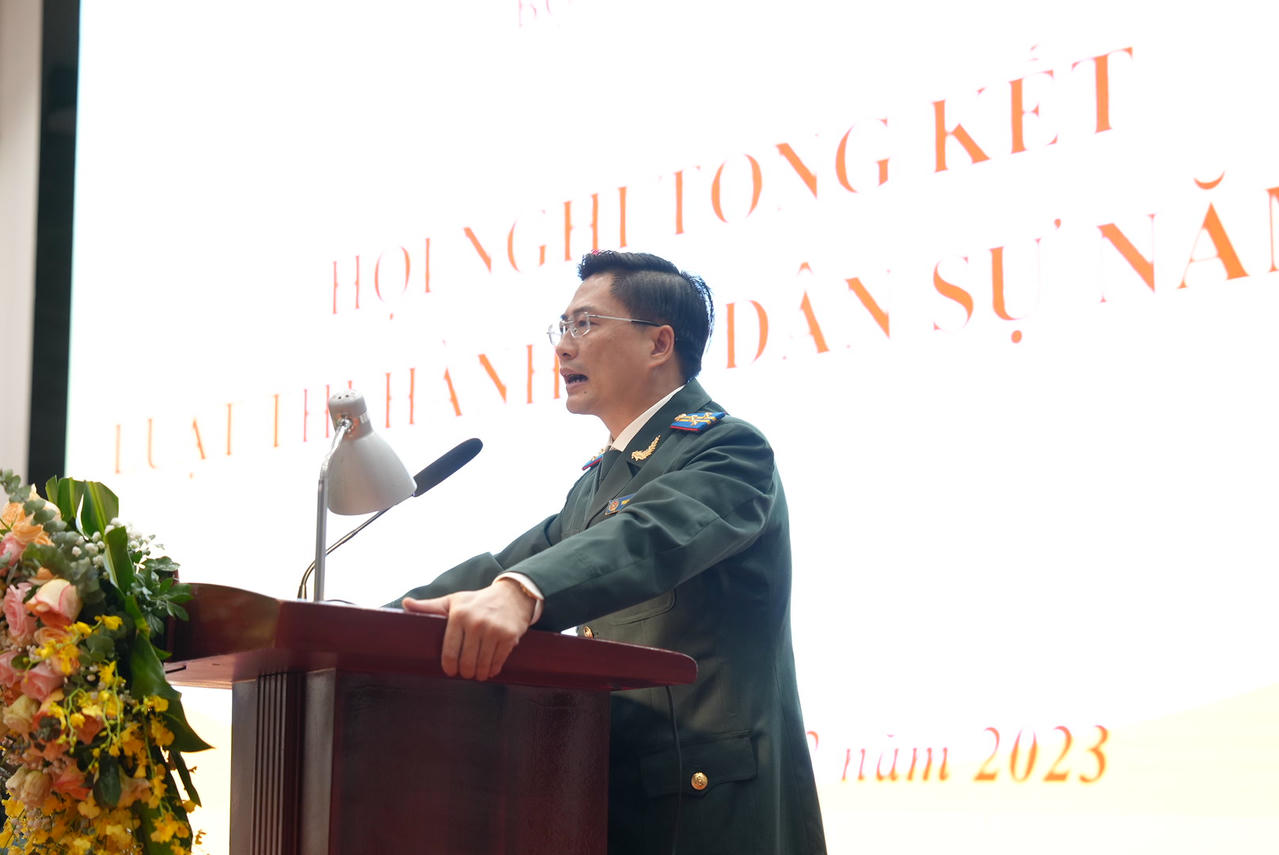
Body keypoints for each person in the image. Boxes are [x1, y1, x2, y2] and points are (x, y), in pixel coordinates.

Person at [393, 250, 826, 854]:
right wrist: (374, 619)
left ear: (659, 344)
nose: (563, 347)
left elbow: (647, 535)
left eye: (586, 324)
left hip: (712, 817)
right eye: (563, 326)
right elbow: (505, 566)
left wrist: (521, 595)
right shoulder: (599, 482)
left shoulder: (730, 451)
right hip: (614, 807)